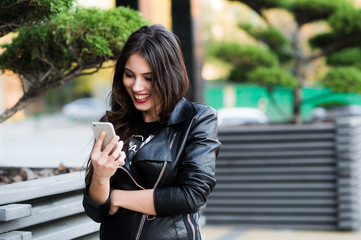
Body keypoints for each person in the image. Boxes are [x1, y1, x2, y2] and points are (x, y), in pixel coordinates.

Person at [83, 24, 221, 240]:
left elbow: (192, 195)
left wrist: (119, 197)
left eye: (148, 78)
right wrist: (100, 176)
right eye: (130, 75)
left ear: (170, 75)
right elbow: (96, 211)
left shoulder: (197, 119)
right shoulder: (113, 123)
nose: (137, 87)